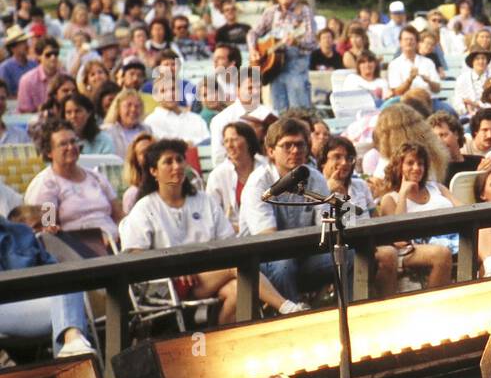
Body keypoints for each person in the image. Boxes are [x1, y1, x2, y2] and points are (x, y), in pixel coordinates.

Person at [119, 138, 303, 321]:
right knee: (237, 265)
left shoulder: (203, 200)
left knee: (238, 289)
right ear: (153, 171)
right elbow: (135, 253)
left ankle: (218, 336)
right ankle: (287, 308)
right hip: (168, 283)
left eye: (179, 159)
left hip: (210, 275)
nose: (176, 166)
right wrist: (174, 267)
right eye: (168, 162)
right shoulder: (144, 207)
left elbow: (227, 241)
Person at [238, 118, 342, 305]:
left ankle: (351, 314)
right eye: (287, 146)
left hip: (303, 256)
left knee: (348, 256)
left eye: (300, 145)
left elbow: (326, 229)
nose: (295, 151)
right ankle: (295, 319)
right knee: (284, 264)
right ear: (270, 151)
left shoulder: (314, 178)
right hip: (263, 261)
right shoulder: (259, 183)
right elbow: (268, 239)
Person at [0, 217, 97, 359]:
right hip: (4, 308)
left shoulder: (22, 231)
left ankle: (72, 343)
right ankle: (73, 353)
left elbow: (52, 268)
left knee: (68, 279)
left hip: (35, 302)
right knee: (70, 313)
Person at [24, 121, 123, 248]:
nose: (71, 147)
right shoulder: (47, 186)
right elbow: (47, 229)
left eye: (73, 141)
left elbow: (119, 215)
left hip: (115, 243)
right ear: (49, 152)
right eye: (63, 144)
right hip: (78, 250)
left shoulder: (96, 177)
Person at [375, 142, 460, 289]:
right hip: (413, 248)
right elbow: (398, 237)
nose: (416, 168)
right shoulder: (391, 198)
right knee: (441, 253)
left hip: (451, 236)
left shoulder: (437, 187)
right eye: (410, 163)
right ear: (399, 166)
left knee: (486, 232)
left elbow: (465, 209)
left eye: (420, 164)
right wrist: (403, 194)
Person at [247, 0, 315, 111]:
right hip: (274, 68)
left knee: (299, 111)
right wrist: (252, 50)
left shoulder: (304, 11)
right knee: (279, 111)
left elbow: (312, 42)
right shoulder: (271, 12)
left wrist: (296, 42)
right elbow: (253, 33)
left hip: (296, 67)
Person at [206, 120, 265, 228]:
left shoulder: (266, 167)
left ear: (248, 141)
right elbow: (210, 214)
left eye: (234, 140)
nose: (229, 145)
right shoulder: (217, 175)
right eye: (226, 141)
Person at [388, 25, 441, 98]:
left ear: (417, 42)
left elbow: (437, 89)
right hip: (406, 102)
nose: (409, 42)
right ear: (400, 42)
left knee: (449, 109)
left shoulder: (428, 62)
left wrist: (429, 81)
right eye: (406, 39)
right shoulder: (395, 64)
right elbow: (397, 92)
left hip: (429, 100)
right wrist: (409, 80)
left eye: (411, 39)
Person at [17, 36, 64, 113]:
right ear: (39, 56)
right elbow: (25, 111)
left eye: (56, 54)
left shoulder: (66, 77)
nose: (53, 57)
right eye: (48, 54)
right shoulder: (27, 80)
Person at [103, 89, 149, 160]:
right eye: (128, 105)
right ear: (118, 108)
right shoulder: (107, 131)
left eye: (137, 106)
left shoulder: (147, 130)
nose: (133, 109)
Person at [121, 132, 155, 213]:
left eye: (151, 150)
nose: (148, 155)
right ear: (136, 161)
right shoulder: (132, 194)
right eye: (143, 152)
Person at [454, 48, 491, 117]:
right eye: (477, 59)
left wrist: (476, 105)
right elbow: (458, 101)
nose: (481, 61)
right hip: (468, 114)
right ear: (472, 62)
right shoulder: (462, 78)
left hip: (489, 114)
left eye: (483, 58)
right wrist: (467, 109)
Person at [1, 26, 36, 96]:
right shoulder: (5, 68)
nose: (26, 45)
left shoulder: (34, 64)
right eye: (22, 43)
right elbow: (6, 94)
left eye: (25, 42)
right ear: (13, 48)